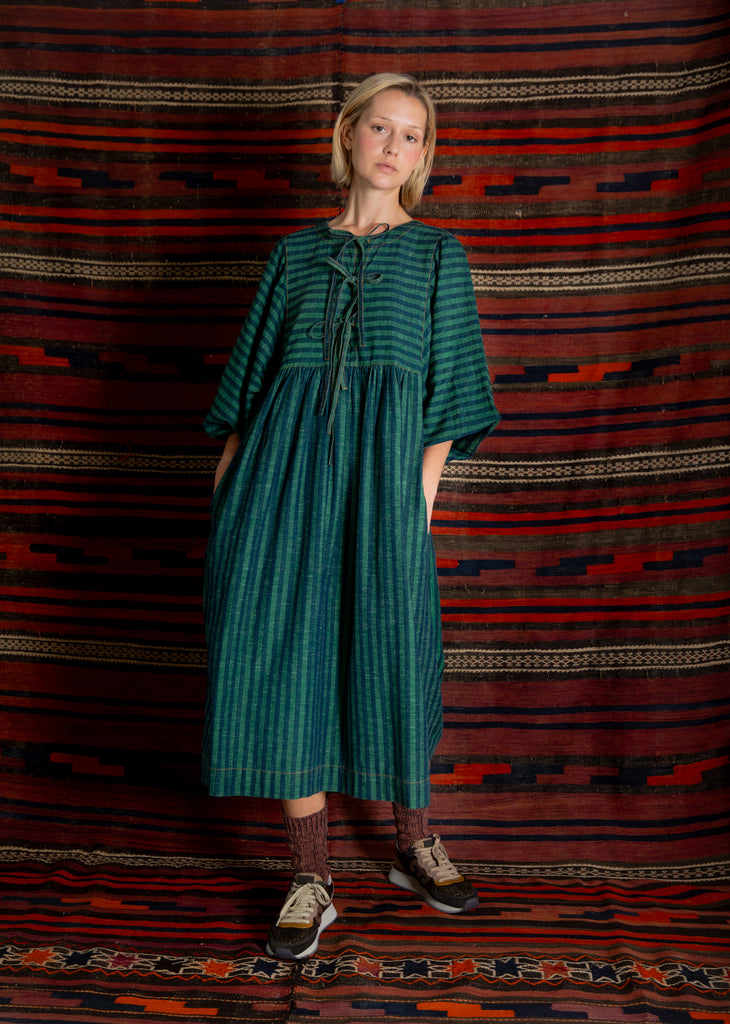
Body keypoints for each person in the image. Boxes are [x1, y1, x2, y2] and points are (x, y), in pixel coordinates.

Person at [203, 72, 500, 961]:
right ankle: (311, 876)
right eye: (380, 127)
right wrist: (228, 505)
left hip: (384, 490)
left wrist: (417, 500)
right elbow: (248, 394)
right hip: (277, 491)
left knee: (395, 652)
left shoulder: (438, 255)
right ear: (348, 135)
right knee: (285, 659)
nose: (393, 146)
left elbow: (449, 396)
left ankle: (414, 842)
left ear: (424, 154)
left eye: (412, 135)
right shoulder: (293, 255)